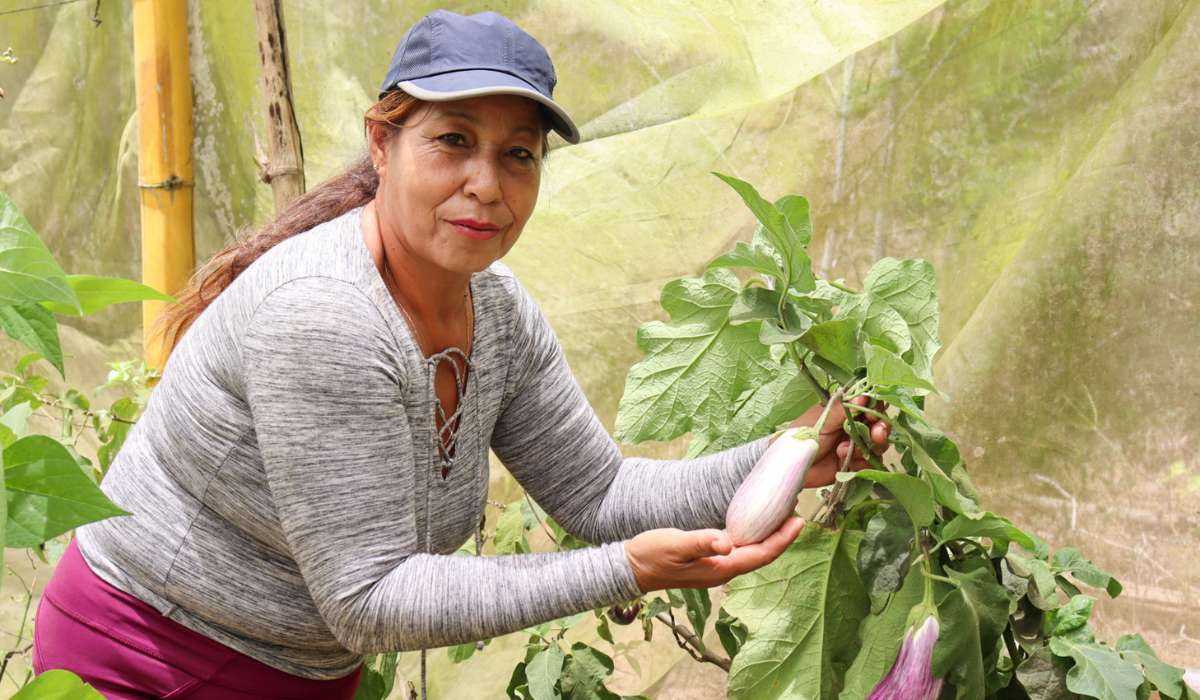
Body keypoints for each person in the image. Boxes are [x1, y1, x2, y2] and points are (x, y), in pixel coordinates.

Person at [31, 10, 889, 699]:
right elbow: (370, 603)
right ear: (382, 141)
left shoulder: (498, 315)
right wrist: (627, 572)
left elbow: (602, 492)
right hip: (141, 657)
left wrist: (792, 454)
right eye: (453, 141)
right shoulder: (323, 314)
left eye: (518, 154)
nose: (487, 183)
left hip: (302, 668)